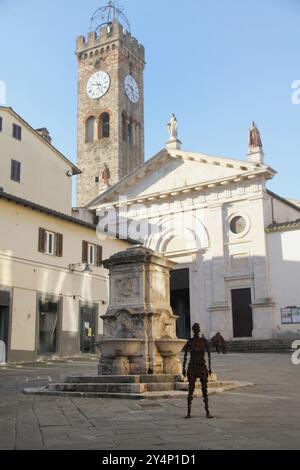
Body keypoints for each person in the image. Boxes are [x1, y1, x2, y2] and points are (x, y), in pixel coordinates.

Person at [182, 323, 213, 419]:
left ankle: (207, 411)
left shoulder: (203, 341)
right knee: (191, 389)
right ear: (193, 330)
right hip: (192, 367)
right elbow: (185, 356)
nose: (196, 330)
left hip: (202, 366)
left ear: (199, 330)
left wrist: (210, 368)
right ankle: (189, 412)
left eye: (197, 329)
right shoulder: (190, 341)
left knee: (205, 389)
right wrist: (183, 368)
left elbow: (208, 355)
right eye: (195, 329)